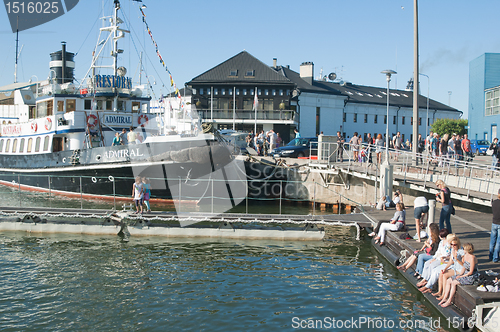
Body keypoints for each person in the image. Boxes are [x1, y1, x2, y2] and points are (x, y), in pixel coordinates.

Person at [439, 243, 479, 308]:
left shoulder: (472, 258)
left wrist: (461, 276)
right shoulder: (465, 256)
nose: (462, 250)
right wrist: (460, 274)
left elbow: (471, 272)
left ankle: (449, 300)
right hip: (465, 273)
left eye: (463, 249)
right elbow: (464, 267)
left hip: (471, 276)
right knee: (449, 280)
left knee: (454, 282)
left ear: (466, 249)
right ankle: (445, 297)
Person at [490, 188, 500, 263]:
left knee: (492, 240)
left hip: (494, 222)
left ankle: (490, 255)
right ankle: (495, 257)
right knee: (498, 241)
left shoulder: (495, 202)